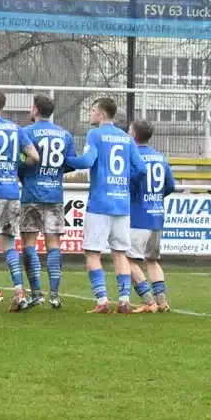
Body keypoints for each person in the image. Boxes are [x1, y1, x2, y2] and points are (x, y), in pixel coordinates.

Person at [64, 97, 147, 313]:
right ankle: (124, 300)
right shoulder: (127, 139)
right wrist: (124, 180)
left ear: (101, 114)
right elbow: (142, 168)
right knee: (120, 253)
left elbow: (87, 161)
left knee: (92, 253)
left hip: (100, 204)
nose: (90, 114)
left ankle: (102, 301)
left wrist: (68, 159)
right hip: (121, 203)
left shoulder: (95, 134)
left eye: (92, 110)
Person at [0, 88, 39, 312]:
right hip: (13, 192)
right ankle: (19, 291)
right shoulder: (16, 128)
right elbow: (34, 156)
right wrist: (15, 165)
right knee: (9, 243)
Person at [18, 94, 76, 309]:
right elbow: (69, 163)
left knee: (29, 244)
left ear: (35, 110)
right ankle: (54, 294)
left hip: (32, 193)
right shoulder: (65, 135)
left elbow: (19, 162)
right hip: (55, 194)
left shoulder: (25, 132)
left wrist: (23, 172)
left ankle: (36, 293)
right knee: (53, 244)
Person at [127, 119, 175, 313]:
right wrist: (154, 198)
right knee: (152, 260)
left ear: (133, 135)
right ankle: (162, 301)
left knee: (128, 260)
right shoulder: (160, 158)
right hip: (156, 216)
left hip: (138, 217)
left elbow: (129, 185)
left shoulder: (133, 157)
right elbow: (170, 186)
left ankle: (148, 301)